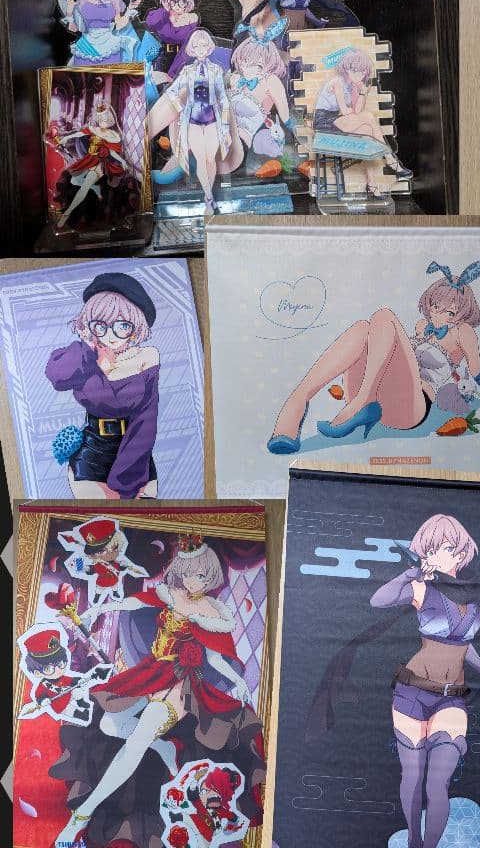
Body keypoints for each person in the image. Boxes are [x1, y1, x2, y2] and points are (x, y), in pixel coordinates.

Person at [51, 533, 265, 848]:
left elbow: (215, 658)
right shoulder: (172, 594)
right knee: (110, 724)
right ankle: (164, 748)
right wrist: (103, 608)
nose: (193, 581)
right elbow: (138, 601)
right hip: (149, 673)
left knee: (136, 741)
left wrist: (239, 682)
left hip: (179, 683)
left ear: (211, 576)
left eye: (201, 575)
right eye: (189, 573)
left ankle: (81, 816)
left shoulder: (212, 612)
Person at [268, 259, 480, 454]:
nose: (438, 314)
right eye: (435, 306)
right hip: (375, 394)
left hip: (410, 407)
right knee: (363, 328)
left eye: (449, 311)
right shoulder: (421, 327)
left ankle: (360, 401)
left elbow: (476, 371)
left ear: (461, 313)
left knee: (383, 316)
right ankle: (300, 399)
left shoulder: (462, 332)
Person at [371, 516, 480, 848]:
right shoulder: (422, 589)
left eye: (440, 549)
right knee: (413, 775)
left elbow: (463, 645)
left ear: (460, 552)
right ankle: (414, 839)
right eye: (428, 550)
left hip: (452, 699)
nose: (433, 556)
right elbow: (378, 600)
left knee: (438, 783)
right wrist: (409, 574)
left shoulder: (472, 600)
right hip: (411, 694)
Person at [46, 273, 161, 500]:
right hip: (93, 451)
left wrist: (126, 481)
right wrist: (89, 350)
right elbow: (56, 376)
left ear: (136, 326)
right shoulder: (84, 354)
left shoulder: (145, 359)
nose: (111, 335)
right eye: (101, 325)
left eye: (123, 325)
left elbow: (146, 421)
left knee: (136, 514)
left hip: (135, 456)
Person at [149, 29, 244, 212]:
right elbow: (172, 91)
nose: (201, 49)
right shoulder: (187, 71)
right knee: (201, 159)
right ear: (192, 49)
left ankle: (209, 194)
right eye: (197, 46)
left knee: (210, 159)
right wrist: (179, 108)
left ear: (208, 48)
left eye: (204, 45)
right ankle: (209, 197)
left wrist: (225, 122)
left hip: (212, 119)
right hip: (192, 120)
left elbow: (222, 96)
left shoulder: (216, 70)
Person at [312, 48, 413, 192]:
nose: (358, 75)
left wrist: (361, 92)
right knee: (368, 117)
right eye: (354, 70)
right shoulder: (337, 82)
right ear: (346, 69)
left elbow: (357, 110)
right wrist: (354, 112)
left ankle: (371, 184)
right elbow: (346, 111)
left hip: (337, 121)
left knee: (367, 134)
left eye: (362, 72)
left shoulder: (354, 86)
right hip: (323, 122)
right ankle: (390, 160)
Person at [53, 105, 136, 230]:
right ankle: (95, 188)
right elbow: (80, 133)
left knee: (85, 186)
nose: (104, 121)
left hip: (100, 163)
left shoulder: (112, 135)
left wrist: (122, 160)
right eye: (102, 119)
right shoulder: (94, 130)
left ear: (111, 120)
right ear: (98, 120)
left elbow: (111, 152)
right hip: (88, 160)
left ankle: (67, 214)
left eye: (106, 119)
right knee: (74, 180)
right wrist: (66, 137)